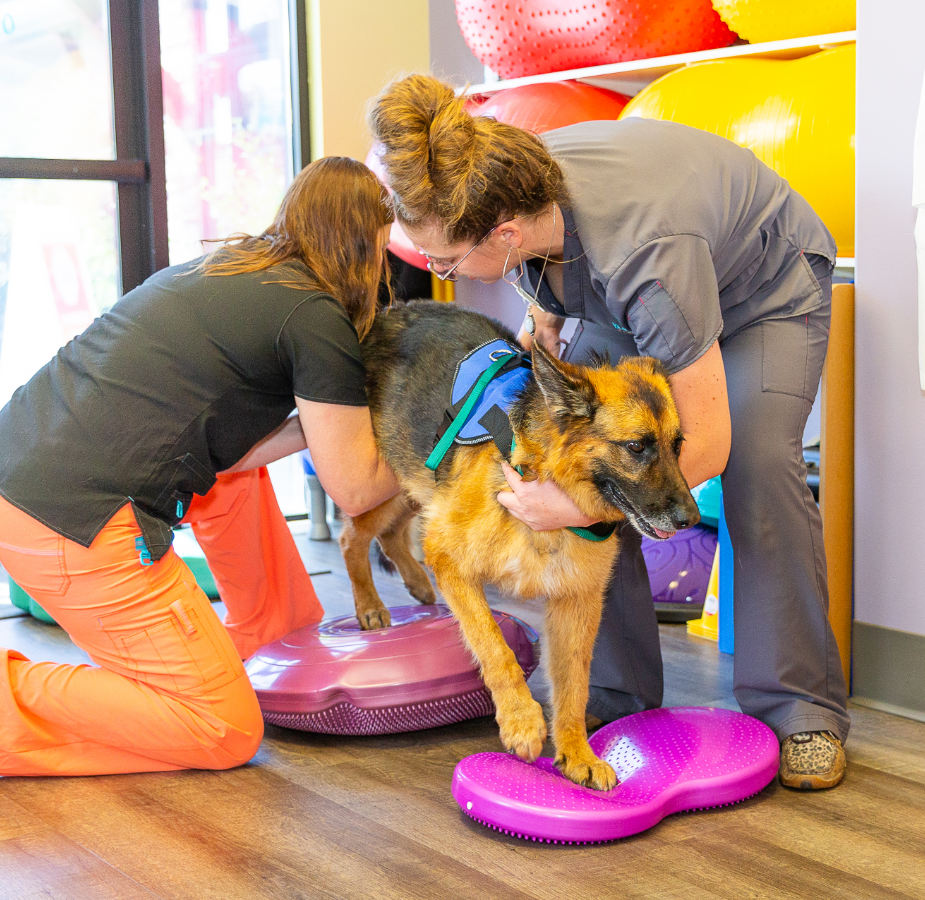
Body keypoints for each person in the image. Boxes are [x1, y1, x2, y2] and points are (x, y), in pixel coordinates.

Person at [368, 73, 849, 790]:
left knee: (753, 464)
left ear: (501, 235)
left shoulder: (648, 257)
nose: (439, 272)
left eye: (444, 260)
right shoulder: (501, 180)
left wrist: (568, 511)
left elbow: (706, 447)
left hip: (761, 291)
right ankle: (613, 694)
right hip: (623, 284)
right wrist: (546, 333)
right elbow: (552, 292)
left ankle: (799, 709)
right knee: (581, 453)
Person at [0, 156, 399, 776]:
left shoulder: (232, 266)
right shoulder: (315, 317)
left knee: (238, 481)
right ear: (364, 243)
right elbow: (355, 489)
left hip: (24, 476)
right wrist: (434, 444)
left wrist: (324, 431)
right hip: (75, 526)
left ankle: (275, 634)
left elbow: (231, 451)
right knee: (224, 728)